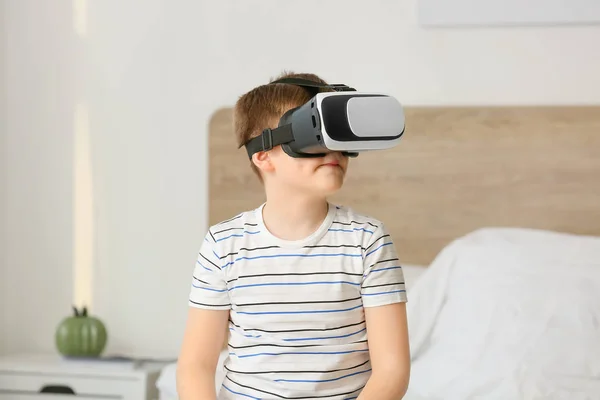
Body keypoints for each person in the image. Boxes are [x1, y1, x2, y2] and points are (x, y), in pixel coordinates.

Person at [177, 72, 410, 400]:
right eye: (312, 134)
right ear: (262, 154)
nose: (332, 151)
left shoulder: (367, 241)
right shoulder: (223, 245)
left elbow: (392, 369)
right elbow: (196, 365)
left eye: (337, 138)